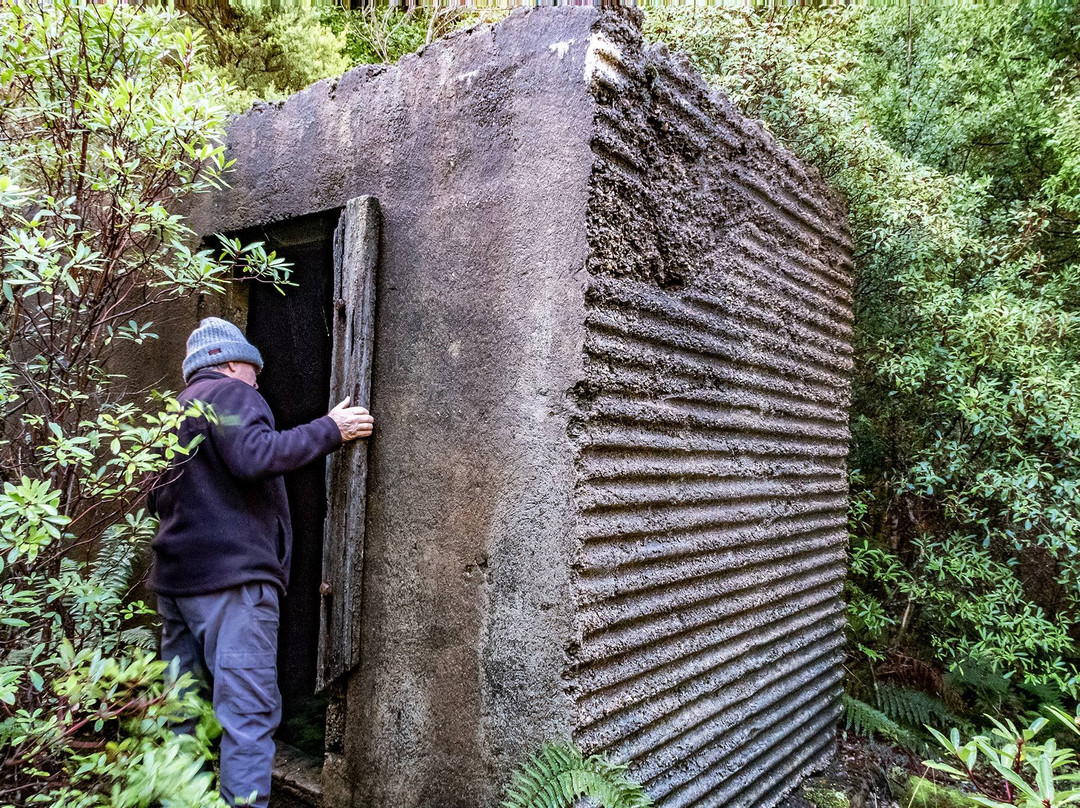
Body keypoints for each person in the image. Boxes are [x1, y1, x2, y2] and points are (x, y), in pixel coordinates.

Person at [146, 317, 372, 807]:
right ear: (230, 363)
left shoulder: (175, 412)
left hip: (176, 588)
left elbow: (152, 497)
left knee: (182, 710)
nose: (258, 381)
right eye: (254, 370)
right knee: (247, 715)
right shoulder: (230, 393)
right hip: (232, 587)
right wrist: (330, 429)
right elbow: (254, 455)